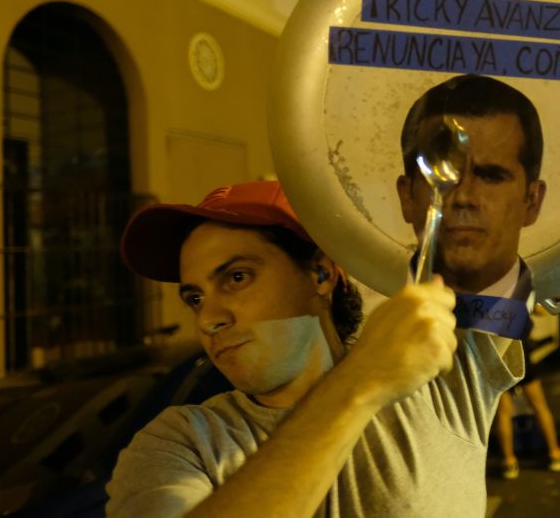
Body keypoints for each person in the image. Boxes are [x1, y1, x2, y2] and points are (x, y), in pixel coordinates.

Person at [107, 181, 522, 517]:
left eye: (236, 278)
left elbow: (536, 228)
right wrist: (360, 382)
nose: (207, 319)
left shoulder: (439, 377)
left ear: (321, 274)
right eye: (194, 297)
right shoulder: (179, 442)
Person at [396, 74, 545, 338]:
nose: (464, 197)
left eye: (490, 176)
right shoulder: (371, 326)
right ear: (407, 197)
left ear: (532, 201)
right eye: (441, 175)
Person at [493, 307, 560, 479]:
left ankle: (509, 462)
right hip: (519, 352)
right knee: (539, 405)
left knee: (503, 413)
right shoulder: (517, 287)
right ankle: (555, 453)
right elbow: (540, 311)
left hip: (496, 356)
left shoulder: (486, 292)